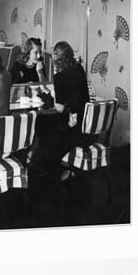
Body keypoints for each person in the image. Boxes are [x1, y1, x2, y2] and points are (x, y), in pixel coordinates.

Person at [32, 41, 92, 179]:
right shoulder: (80, 69)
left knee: (42, 125)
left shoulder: (59, 77)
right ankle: (53, 165)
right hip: (86, 125)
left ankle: (49, 168)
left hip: (74, 129)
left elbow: (59, 108)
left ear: (56, 60)